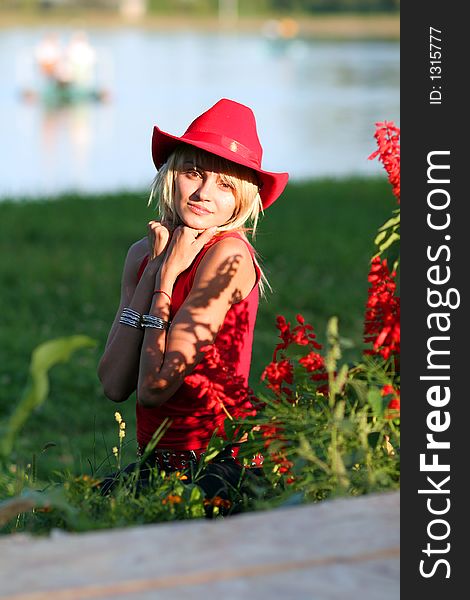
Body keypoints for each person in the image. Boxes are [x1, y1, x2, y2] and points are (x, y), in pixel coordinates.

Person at [97, 98, 288, 509]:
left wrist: (165, 281)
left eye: (225, 184)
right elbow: (114, 384)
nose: (203, 194)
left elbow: (153, 388)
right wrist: (154, 269)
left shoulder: (229, 256)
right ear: (171, 175)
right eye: (193, 173)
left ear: (243, 197)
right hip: (157, 463)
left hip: (220, 463)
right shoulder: (142, 255)